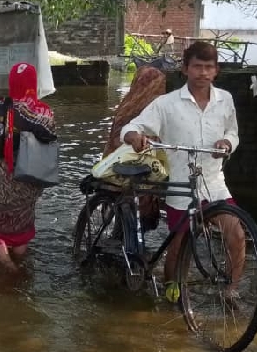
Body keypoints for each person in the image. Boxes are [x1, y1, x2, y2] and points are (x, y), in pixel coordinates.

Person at [121, 41, 244, 300]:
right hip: (181, 184)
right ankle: (173, 289)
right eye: (197, 67)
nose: (203, 73)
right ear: (185, 69)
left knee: (237, 233)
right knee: (179, 245)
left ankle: (231, 290)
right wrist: (134, 136)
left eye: (208, 67)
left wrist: (227, 143)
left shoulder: (225, 100)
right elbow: (134, 126)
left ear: (216, 71)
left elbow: (233, 132)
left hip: (215, 182)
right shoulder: (166, 104)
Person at [0, 62, 57, 271]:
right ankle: (18, 255)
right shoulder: (46, 111)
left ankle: (7, 264)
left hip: (6, 176)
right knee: (22, 218)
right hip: (33, 179)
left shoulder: (4, 107)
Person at [104, 65, 167, 230]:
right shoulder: (156, 108)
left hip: (118, 165)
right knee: (136, 208)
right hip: (133, 166)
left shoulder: (127, 104)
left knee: (127, 211)